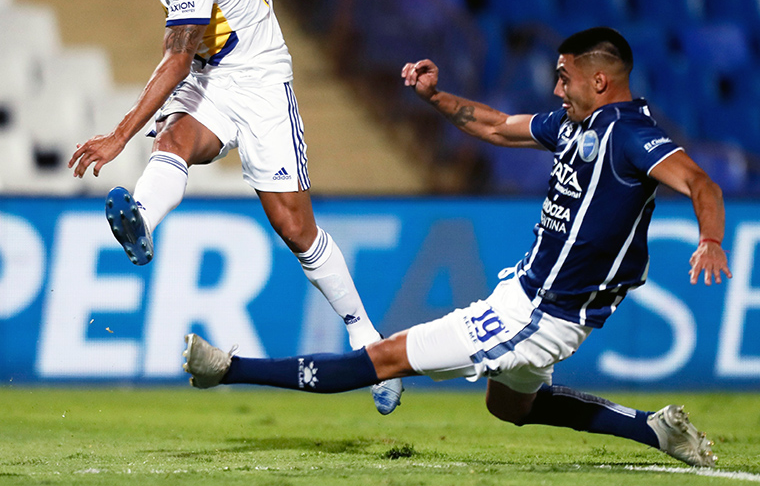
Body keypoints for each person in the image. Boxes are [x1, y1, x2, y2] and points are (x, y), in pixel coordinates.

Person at [182, 27, 731, 468]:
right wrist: (436, 97)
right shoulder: (572, 124)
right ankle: (653, 429)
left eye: (565, 79)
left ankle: (226, 370)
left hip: (543, 315)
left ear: (602, 80)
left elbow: (702, 184)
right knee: (509, 405)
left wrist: (709, 238)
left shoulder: (630, 134)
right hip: (526, 292)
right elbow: (496, 127)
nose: (558, 90)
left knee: (386, 358)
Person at [68, 0, 403, 414]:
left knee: (295, 228)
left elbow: (176, 59)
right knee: (174, 139)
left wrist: (117, 136)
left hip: (261, 80)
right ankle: (143, 223)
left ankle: (368, 339)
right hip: (213, 77)